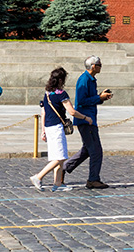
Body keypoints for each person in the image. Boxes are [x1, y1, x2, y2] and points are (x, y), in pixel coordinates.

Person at [31, 67, 89, 191]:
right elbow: (72, 111)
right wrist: (85, 118)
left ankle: (57, 183)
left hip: (48, 126)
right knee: (60, 157)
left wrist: (43, 130)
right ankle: (38, 176)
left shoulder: (47, 93)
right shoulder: (61, 94)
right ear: (62, 80)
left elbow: (43, 112)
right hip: (56, 127)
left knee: (58, 156)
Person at [64, 55, 112, 189]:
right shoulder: (84, 80)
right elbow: (81, 101)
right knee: (96, 150)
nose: (101, 67)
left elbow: (91, 99)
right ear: (93, 66)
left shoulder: (91, 80)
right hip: (86, 120)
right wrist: (99, 98)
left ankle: (64, 167)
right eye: (99, 65)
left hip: (90, 119)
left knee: (87, 150)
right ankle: (93, 179)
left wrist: (101, 97)